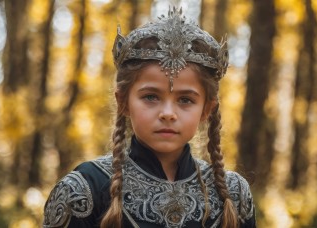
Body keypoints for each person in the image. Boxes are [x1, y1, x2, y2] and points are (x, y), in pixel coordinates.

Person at [43, 7, 256, 228]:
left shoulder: (232, 194)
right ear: (123, 102)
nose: (168, 113)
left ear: (206, 109)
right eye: (151, 97)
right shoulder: (85, 188)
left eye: (185, 100)